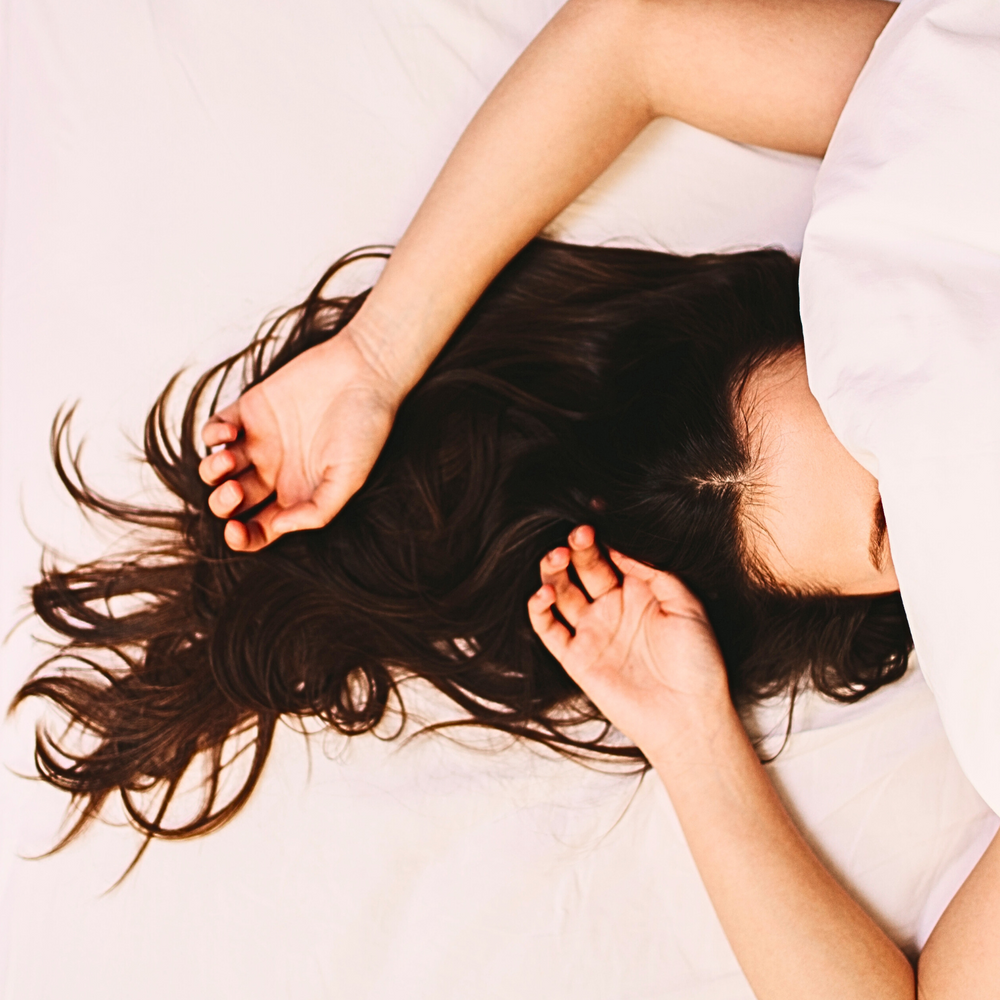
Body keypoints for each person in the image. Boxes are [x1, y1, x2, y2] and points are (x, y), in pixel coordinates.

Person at [16, 0, 999, 996]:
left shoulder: (922, 171)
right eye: (891, 519)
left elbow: (633, 41)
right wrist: (691, 735)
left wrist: (377, 356)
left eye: (862, 394)